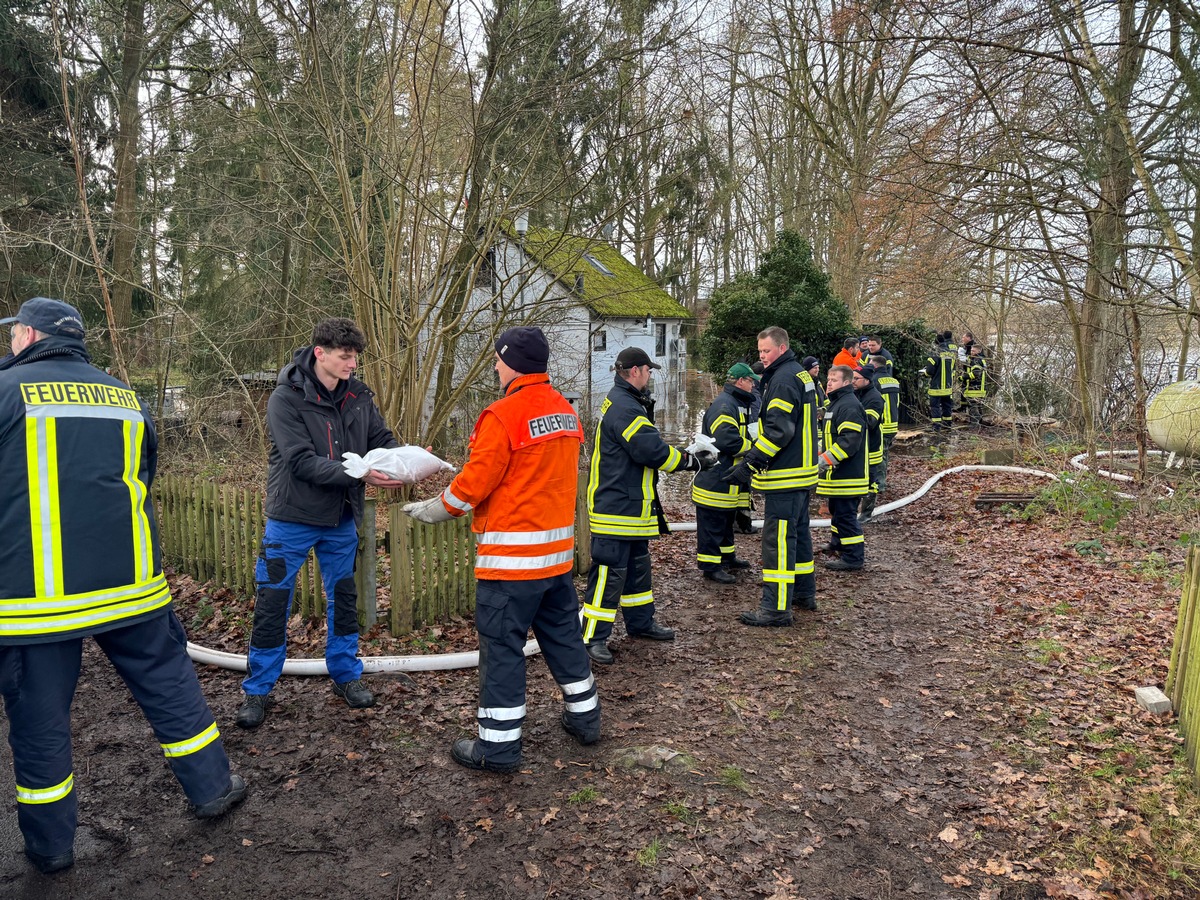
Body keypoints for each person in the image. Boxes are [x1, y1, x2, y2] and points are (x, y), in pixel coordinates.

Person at [0, 298, 246, 874]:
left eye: (13, 334)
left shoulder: (7, 393)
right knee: (170, 687)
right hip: (132, 587)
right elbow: (142, 474)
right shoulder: (124, 397)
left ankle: (51, 846)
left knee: (39, 720)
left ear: (28, 335)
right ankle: (212, 788)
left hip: (37, 601)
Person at [401, 327, 600, 773]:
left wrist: (436, 508)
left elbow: (473, 486)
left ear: (512, 362)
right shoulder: (567, 413)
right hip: (557, 561)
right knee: (564, 639)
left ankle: (498, 749)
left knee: (502, 653)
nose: (494, 365)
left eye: (497, 358)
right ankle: (586, 719)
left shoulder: (502, 415)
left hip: (509, 567)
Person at [237, 318, 410, 729]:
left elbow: (380, 440)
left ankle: (346, 676)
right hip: (291, 518)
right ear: (321, 353)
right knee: (273, 602)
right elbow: (300, 462)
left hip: (341, 518)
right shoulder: (285, 398)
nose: (352, 364)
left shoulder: (359, 396)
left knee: (344, 600)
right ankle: (258, 689)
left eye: (355, 357)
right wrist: (361, 475)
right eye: (345, 357)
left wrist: (407, 459)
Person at [581, 347, 712, 665]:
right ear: (636, 370)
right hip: (616, 508)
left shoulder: (626, 401)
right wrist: (691, 460)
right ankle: (591, 638)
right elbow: (650, 452)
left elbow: (646, 446)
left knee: (637, 571)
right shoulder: (626, 408)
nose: (651, 375)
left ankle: (640, 624)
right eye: (649, 370)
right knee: (610, 574)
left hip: (629, 507)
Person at [725, 327, 820, 626]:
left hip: (785, 476)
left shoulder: (781, 379)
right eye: (760, 352)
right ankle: (803, 593)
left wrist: (750, 463)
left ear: (781, 347)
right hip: (803, 473)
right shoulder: (800, 374)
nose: (762, 357)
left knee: (777, 542)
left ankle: (775, 609)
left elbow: (779, 431)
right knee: (799, 536)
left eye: (766, 351)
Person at [693, 363, 759, 585]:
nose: (753, 385)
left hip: (727, 478)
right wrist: (754, 450)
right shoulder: (725, 405)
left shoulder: (737, 403)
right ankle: (711, 567)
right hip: (715, 478)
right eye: (751, 381)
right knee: (712, 524)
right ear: (741, 381)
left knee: (726, 521)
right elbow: (726, 440)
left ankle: (727, 558)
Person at [816, 365, 869, 571]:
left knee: (846, 516)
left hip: (849, 475)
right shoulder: (836, 404)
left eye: (834, 380)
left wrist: (825, 460)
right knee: (836, 511)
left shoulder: (848, 406)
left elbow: (849, 441)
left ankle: (853, 558)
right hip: (838, 474)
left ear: (846, 383)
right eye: (828, 379)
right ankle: (837, 544)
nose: (829, 383)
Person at [734, 361, 766, 535]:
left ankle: (742, 522)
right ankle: (742, 523)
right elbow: (753, 420)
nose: (755, 383)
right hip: (746, 447)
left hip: (743, 447)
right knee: (744, 486)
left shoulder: (747, 395)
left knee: (743, 488)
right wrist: (755, 447)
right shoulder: (753, 395)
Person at [852, 364, 884, 523]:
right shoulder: (855, 393)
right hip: (859, 446)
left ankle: (866, 513)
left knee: (871, 480)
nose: (853, 381)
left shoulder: (875, 398)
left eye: (856, 378)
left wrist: (853, 413)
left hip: (871, 447)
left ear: (867, 380)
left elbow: (870, 422)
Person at [870, 353, 900, 497]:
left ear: (875, 365)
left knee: (879, 455)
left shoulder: (874, 381)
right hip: (893, 423)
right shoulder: (894, 381)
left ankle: (879, 484)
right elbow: (897, 402)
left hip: (882, 424)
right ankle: (882, 481)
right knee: (885, 453)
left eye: (870, 363)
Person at [922, 330, 957, 434]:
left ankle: (936, 427)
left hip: (936, 387)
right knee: (947, 406)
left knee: (935, 407)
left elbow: (929, 371)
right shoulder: (951, 354)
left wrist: (924, 374)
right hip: (948, 386)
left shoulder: (935, 354)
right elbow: (953, 369)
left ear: (936, 343)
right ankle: (947, 426)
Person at [964, 343, 988, 426]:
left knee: (972, 406)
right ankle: (981, 422)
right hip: (981, 387)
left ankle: (974, 424)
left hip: (974, 388)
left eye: (973, 351)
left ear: (979, 351)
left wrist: (964, 377)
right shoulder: (982, 359)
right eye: (971, 350)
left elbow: (976, 373)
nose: (971, 352)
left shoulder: (976, 360)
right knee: (979, 406)